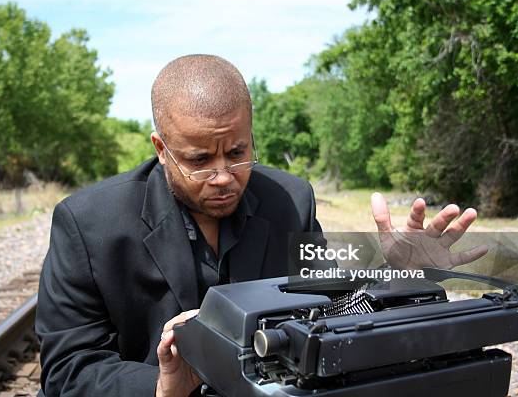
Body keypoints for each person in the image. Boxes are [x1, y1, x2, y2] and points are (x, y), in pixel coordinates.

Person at [35, 54, 485, 397]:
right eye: (198, 160)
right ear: (160, 147)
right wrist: (162, 388)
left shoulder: (290, 200)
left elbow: (337, 308)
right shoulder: (86, 223)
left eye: (237, 152)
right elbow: (68, 366)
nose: (224, 176)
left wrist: (397, 279)